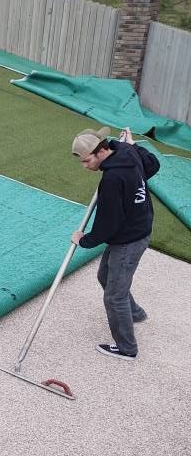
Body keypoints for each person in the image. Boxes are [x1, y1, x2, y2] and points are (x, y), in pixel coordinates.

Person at [70, 126, 160, 361]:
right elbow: (152, 165)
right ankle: (135, 313)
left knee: (114, 296)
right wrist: (133, 145)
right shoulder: (127, 153)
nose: (85, 166)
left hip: (129, 238)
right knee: (105, 275)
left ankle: (126, 348)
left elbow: (107, 224)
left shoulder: (111, 178)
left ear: (100, 152)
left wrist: (84, 240)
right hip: (137, 227)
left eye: (86, 160)